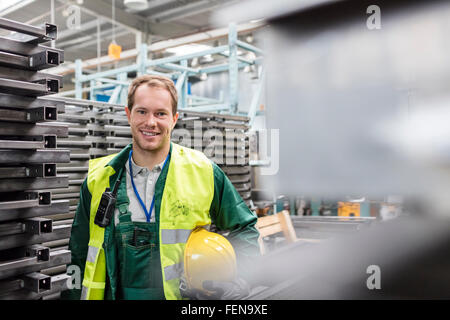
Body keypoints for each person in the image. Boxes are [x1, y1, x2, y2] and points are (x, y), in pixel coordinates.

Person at [63, 75, 260, 300]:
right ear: (128, 115)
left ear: (174, 119)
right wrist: (71, 295)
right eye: (142, 111)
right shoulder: (99, 180)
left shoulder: (202, 172)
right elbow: (77, 254)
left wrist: (242, 279)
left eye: (161, 113)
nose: (151, 122)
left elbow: (246, 228)